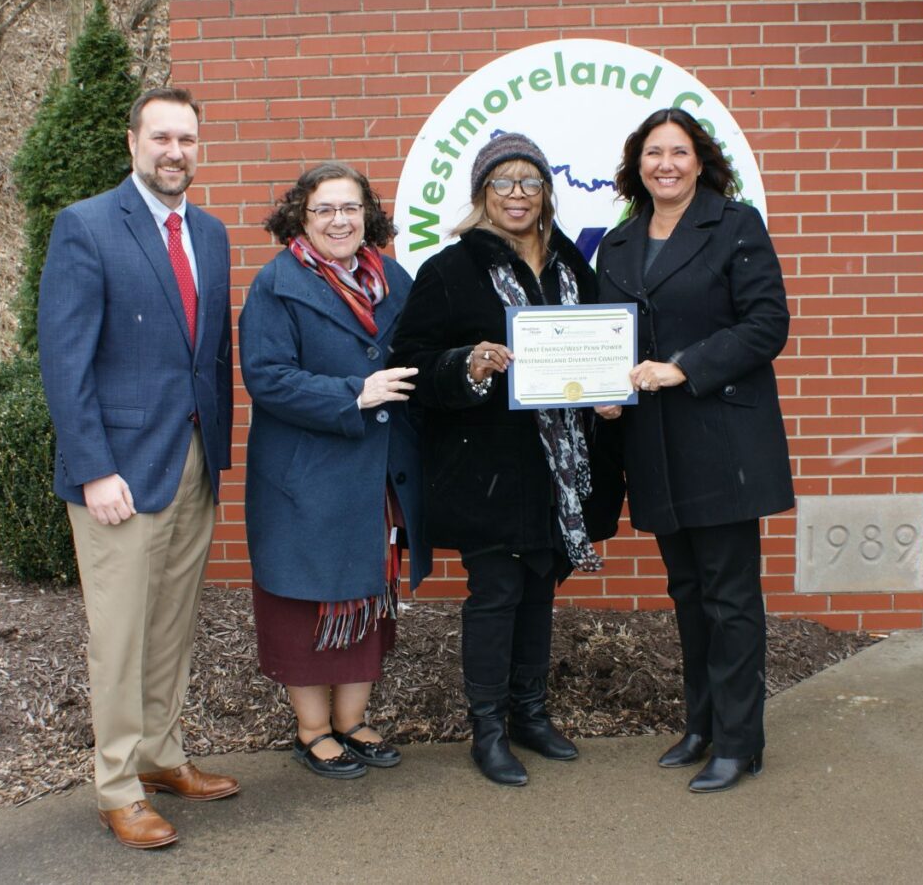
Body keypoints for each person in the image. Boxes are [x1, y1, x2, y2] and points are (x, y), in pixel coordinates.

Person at [389, 133, 624, 787]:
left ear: (546, 192)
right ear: (481, 194)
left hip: (561, 473)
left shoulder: (572, 264)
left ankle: (530, 715)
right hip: (487, 469)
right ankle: (488, 730)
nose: (517, 195)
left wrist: (609, 396)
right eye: (503, 182)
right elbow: (407, 365)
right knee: (496, 593)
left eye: (529, 182)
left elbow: (598, 346)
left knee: (539, 590)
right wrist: (467, 365)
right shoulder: (450, 270)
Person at [38, 87, 238, 848]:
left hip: (191, 461)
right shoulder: (87, 226)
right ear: (133, 143)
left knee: (171, 626)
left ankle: (161, 755)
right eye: (160, 137)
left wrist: (214, 451)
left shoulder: (210, 234)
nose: (174, 152)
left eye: (187, 139)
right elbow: (65, 359)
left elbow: (209, 356)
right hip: (117, 473)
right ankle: (118, 785)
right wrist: (93, 468)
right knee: (118, 636)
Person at [595, 107, 794, 793]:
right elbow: (608, 337)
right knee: (687, 592)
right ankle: (703, 725)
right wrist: (600, 387)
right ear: (637, 164)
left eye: (679, 152)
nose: (667, 165)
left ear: (701, 161)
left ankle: (741, 742)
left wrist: (684, 366)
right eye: (654, 153)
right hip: (655, 444)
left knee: (730, 595)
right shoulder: (618, 245)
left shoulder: (735, 225)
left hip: (722, 439)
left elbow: (768, 322)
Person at [239, 162, 432, 780]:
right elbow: (267, 378)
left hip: (378, 469)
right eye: (324, 209)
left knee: (369, 598)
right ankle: (313, 730)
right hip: (306, 476)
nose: (340, 220)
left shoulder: (392, 278)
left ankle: (352, 722)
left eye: (351, 208)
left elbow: (418, 354)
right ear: (301, 216)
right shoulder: (277, 284)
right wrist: (356, 392)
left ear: (368, 216)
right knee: (305, 605)